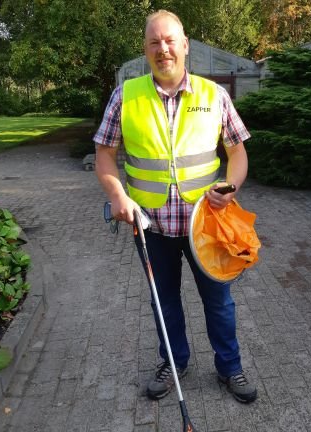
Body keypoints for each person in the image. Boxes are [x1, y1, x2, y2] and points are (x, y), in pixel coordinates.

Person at [94, 9, 257, 404]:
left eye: (169, 41)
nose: (162, 48)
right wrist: (118, 196)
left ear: (185, 46)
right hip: (151, 226)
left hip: (207, 225)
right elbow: (104, 154)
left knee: (219, 301)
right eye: (154, 42)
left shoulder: (214, 95)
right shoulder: (125, 96)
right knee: (163, 301)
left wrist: (231, 187)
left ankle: (230, 367)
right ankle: (173, 362)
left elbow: (237, 153)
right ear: (146, 49)